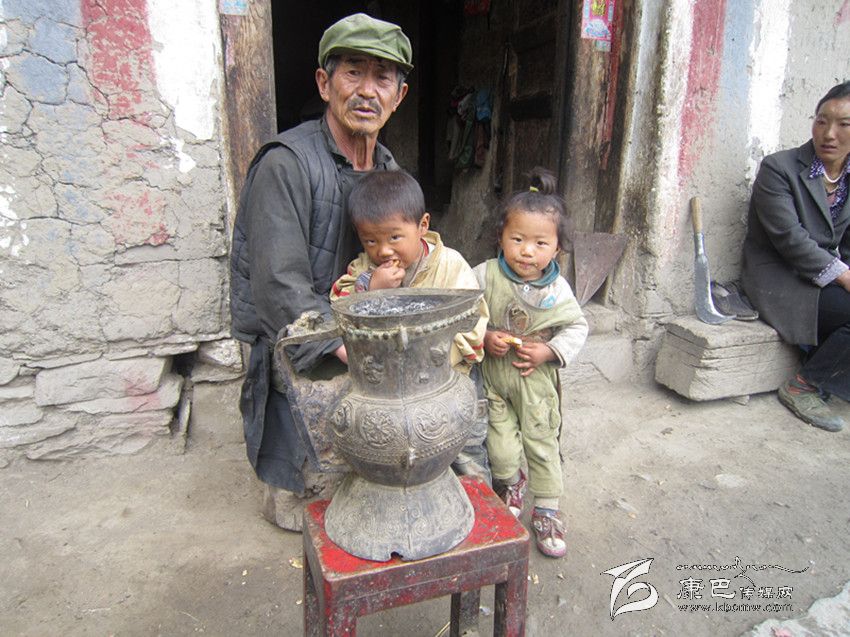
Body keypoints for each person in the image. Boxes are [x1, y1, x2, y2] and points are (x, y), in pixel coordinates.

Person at [229, 13, 413, 531]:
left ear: (399, 96)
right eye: (353, 73)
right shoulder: (285, 164)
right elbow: (278, 286)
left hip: (358, 329)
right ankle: (295, 476)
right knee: (310, 501)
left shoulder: (389, 172)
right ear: (324, 83)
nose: (367, 91)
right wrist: (345, 346)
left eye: (382, 78)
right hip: (300, 336)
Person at [330, 170, 492, 482]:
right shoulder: (364, 268)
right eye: (370, 240)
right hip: (391, 389)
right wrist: (370, 289)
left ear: (422, 226)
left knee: (467, 447)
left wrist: (431, 360)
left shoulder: (450, 265)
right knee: (404, 455)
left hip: (448, 378)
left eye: (394, 237)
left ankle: (478, 496)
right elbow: (338, 305)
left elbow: (473, 321)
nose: (383, 250)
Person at [473, 167, 588, 558]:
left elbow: (577, 326)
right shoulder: (485, 275)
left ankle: (548, 510)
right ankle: (511, 483)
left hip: (536, 384)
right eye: (517, 239)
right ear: (501, 237)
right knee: (500, 446)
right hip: (495, 380)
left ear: (556, 249)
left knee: (541, 443)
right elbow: (462, 308)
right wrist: (483, 335)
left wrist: (548, 351)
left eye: (540, 243)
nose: (527, 251)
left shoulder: (557, 290)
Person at [741, 81, 850, 433]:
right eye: (822, 120)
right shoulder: (779, 168)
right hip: (781, 279)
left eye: (844, 124)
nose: (829, 133)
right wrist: (844, 276)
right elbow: (790, 240)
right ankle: (803, 385)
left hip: (821, 277)